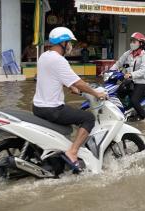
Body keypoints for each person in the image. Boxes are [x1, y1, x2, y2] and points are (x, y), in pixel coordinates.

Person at [32, 27, 107, 170]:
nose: (71, 46)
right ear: (63, 43)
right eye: (70, 42)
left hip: (38, 107)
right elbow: (79, 82)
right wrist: (96, 93)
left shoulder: (44, 56)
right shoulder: (59, 60)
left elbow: (52, 77)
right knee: (87, 118)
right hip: (53, 109)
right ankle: (72, 152)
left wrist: (70, 86)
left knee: (70, 120)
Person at [110, 32, 145, 121]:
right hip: (128, 82)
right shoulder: (127, 53)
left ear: (141, 43)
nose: (132, 43)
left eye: (134, 41)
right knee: (117, 93)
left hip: (140, 84)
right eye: (131, 41)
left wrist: (131, 74)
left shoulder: (144, 55)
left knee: (134, 100)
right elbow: (118, 63)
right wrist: (109, 71)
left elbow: (143, 71)